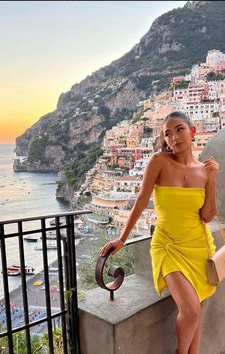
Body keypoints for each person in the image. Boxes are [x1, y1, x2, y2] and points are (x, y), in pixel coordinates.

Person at [100, 111, 219, 354]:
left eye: (179, 129)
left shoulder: (204, 171)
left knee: (196, 309)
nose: (173, 137)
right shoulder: (159, 162)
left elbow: (207, 216)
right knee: (191, 310)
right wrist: (122, 239)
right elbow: (142, 200)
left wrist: (213, 179)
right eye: (167, 134)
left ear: (192, 132)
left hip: (197, 246)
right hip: (167, 247)